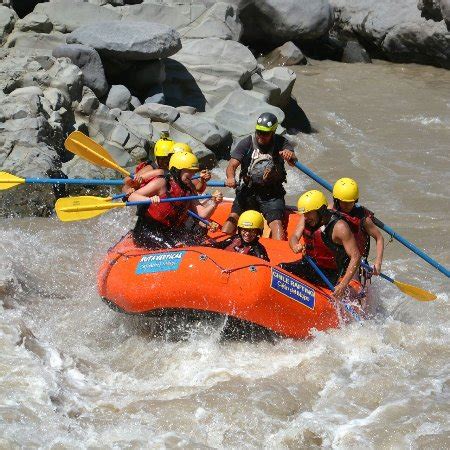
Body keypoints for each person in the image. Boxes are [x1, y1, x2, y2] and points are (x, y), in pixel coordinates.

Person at [222, 112, 296, 240]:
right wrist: (230, 178)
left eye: (265, 133)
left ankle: (277, 254)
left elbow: (293, 162)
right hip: (248, 190)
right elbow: (232, 165)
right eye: (259, 131)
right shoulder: (247, 143)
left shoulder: (282, 142)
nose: (261, 135)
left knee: (276, 223)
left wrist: (290, 155)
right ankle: (221, 245)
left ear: (273, 132)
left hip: (272, 194)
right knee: (233, 216)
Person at [128, 151, 223, 249]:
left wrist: (214, 203)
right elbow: (132, 197)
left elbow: (202, 214)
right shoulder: (162, 183)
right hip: (146, 231)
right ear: (177, 170)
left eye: (194, 171)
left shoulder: (189, 188)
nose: (193, 174)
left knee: (194, 244)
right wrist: (148, 199)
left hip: (170, 231)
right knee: (173, 248)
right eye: (189, 171)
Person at [279, 190, 360, 299]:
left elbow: (355, 256)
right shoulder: (306, 218)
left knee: (340, 295)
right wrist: (294, 245)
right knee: (280, 270)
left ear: (321, 210)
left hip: (332, 273)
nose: (306, 217)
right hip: (309, 264)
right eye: (304, 214)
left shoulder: (339, 227)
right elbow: (294, 237)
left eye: (309, 213)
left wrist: (343, 284)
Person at [332, 177, 384, 275]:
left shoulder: (364, 219)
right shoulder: (330, 209)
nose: (347, 205)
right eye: (344, 202)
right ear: (336, 200)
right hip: (337, 256)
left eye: (350, 202)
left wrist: (378, 263)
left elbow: (379, 238)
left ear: (355, 200)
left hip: (356, 261)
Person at [123, 142, 211, 195]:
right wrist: (133, 187)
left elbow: (199, 189)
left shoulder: (185, 174)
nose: (167, 161)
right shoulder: (158, 171)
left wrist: (203, 181)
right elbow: (128, 181)